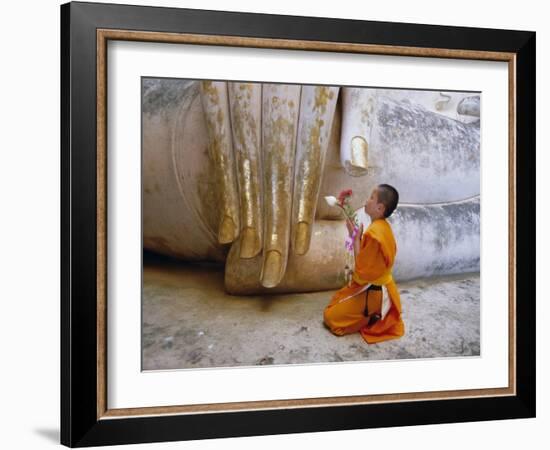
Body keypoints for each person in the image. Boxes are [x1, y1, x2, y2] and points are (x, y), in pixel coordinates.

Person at [323, 184, 404, 344]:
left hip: (374, 292)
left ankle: (372, 316)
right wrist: (357, 236)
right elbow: (367, 263)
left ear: (380, 208)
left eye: (371, 198)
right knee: (335, 301)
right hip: (375, 286)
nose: (367, 201)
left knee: (331, 318)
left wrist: (354, 240)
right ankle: (370, 313)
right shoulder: (381, 227)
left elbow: (361, 271)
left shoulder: (375, 235)